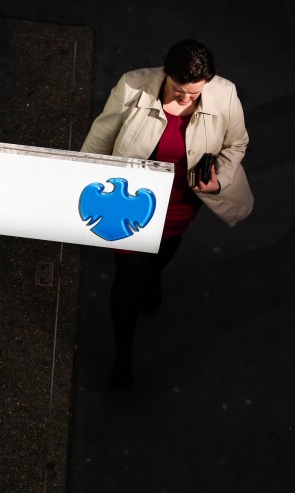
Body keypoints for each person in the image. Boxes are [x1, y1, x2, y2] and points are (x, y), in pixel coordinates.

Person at [81, 39, 249, 390]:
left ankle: (153, 275)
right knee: (128, 274)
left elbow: (236, 143)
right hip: (130, 201)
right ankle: (123, 354)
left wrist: (219, 179)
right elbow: (101, 136)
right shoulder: (133, 85)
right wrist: (81, 181)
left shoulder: (225, 94)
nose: (185, 100)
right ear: (165, 73)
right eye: (178, 91)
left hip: (181, 200)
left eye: (194, 94)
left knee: (164, 250)